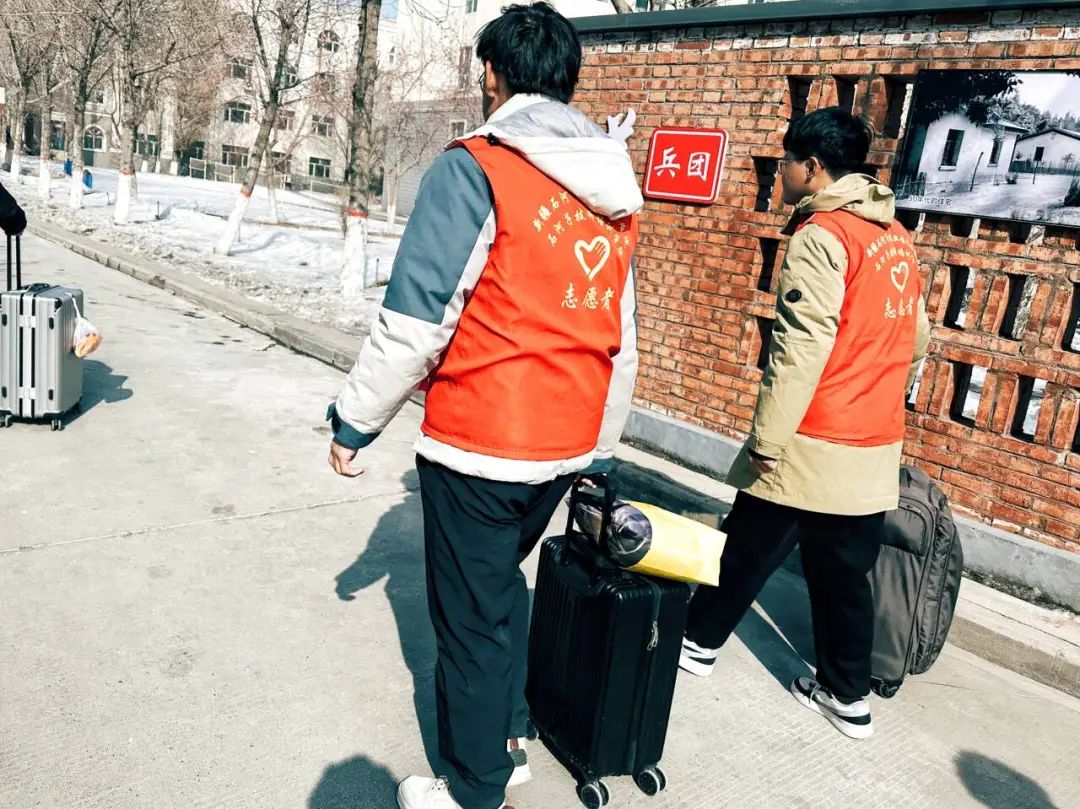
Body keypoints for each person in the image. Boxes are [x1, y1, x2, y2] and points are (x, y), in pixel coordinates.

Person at [325, 4, 643, 808]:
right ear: (567, 81)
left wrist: (356, 420)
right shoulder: (611, 191)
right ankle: (508, 735)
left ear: (493, 75)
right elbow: (621, 337)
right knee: (500, 589)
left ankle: (473, 787)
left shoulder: (477, 167)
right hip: (565, 444)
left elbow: (417, 317)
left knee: (469, 619)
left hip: (482, 441)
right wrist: (602, 447)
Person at [678, 108, 931, 740]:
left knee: (747, 547)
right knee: (845, 576)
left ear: (812, 168)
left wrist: (768, 439)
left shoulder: (822, 235)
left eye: (786, 161)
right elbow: (917, 336)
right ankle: (847, 697)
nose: (782, 172)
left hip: (812, 434)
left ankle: (696, 643)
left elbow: (800, 347)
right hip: (872, 437)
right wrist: (877, 386)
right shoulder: (893, 234)